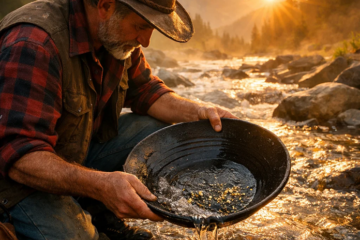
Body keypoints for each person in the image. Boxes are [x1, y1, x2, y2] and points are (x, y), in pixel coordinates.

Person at [0, 0, 237, 239]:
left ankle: (98, 215)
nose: (146, 41)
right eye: (141, 26)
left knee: (155, 132)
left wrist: (200, 110)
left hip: (70, 157)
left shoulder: (115, 38)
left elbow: (147, 91)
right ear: (104, 6)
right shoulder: (33, 43)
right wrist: (101, 185)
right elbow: (19, 154)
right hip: (16, 179)